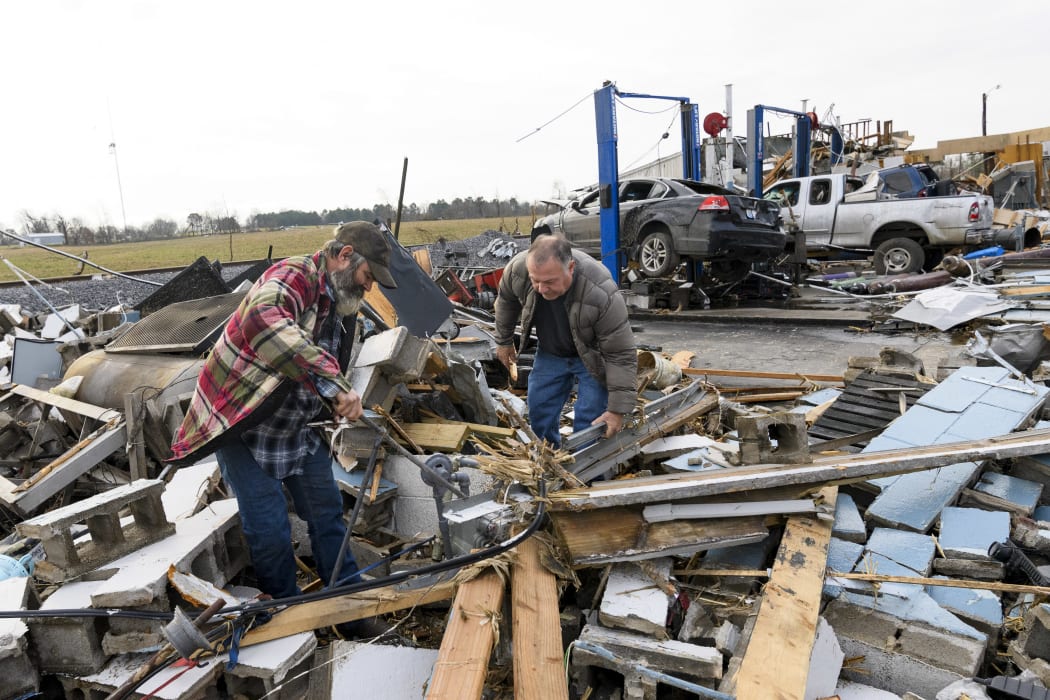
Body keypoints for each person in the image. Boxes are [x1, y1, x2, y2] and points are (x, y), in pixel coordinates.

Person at [168, 221, 397, 600]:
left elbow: (317, 362)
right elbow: (264, 321)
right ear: (344, 256)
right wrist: (334, 384)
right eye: (367, 275)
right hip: (242, 421)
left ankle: (347, 599)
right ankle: (287, 616)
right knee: (269, 525)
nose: (369, 287)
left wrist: (331, 400)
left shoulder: (340, 305)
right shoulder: (293, 276)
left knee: (326, 511)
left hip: (293, 425)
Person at [494, 234, 636, 447]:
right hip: (550, 352)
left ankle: (587, 474)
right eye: (536, 281)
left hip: (592, 355)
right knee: (539, 410)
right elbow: (506, 300)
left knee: (589, 422)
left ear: (570, 267)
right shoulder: (518, 270)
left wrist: (617, 410)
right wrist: (503, 341)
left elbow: (621, 354)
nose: (541, 289)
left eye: (550, 282)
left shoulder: (600, 290)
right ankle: (549, 461)